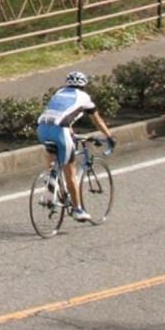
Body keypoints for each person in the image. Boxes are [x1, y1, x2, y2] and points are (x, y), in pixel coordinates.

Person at [37, 71, 115, 222]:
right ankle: (78, 210)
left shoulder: (59, 92)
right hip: (60, 130)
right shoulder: (84, 97)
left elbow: (63, 115)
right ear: (84, 85)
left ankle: (50, 183)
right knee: (70, 171)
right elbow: (96, 119)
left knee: (51, 153)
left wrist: (71, 134)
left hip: (42, 128)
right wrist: (109, 136)